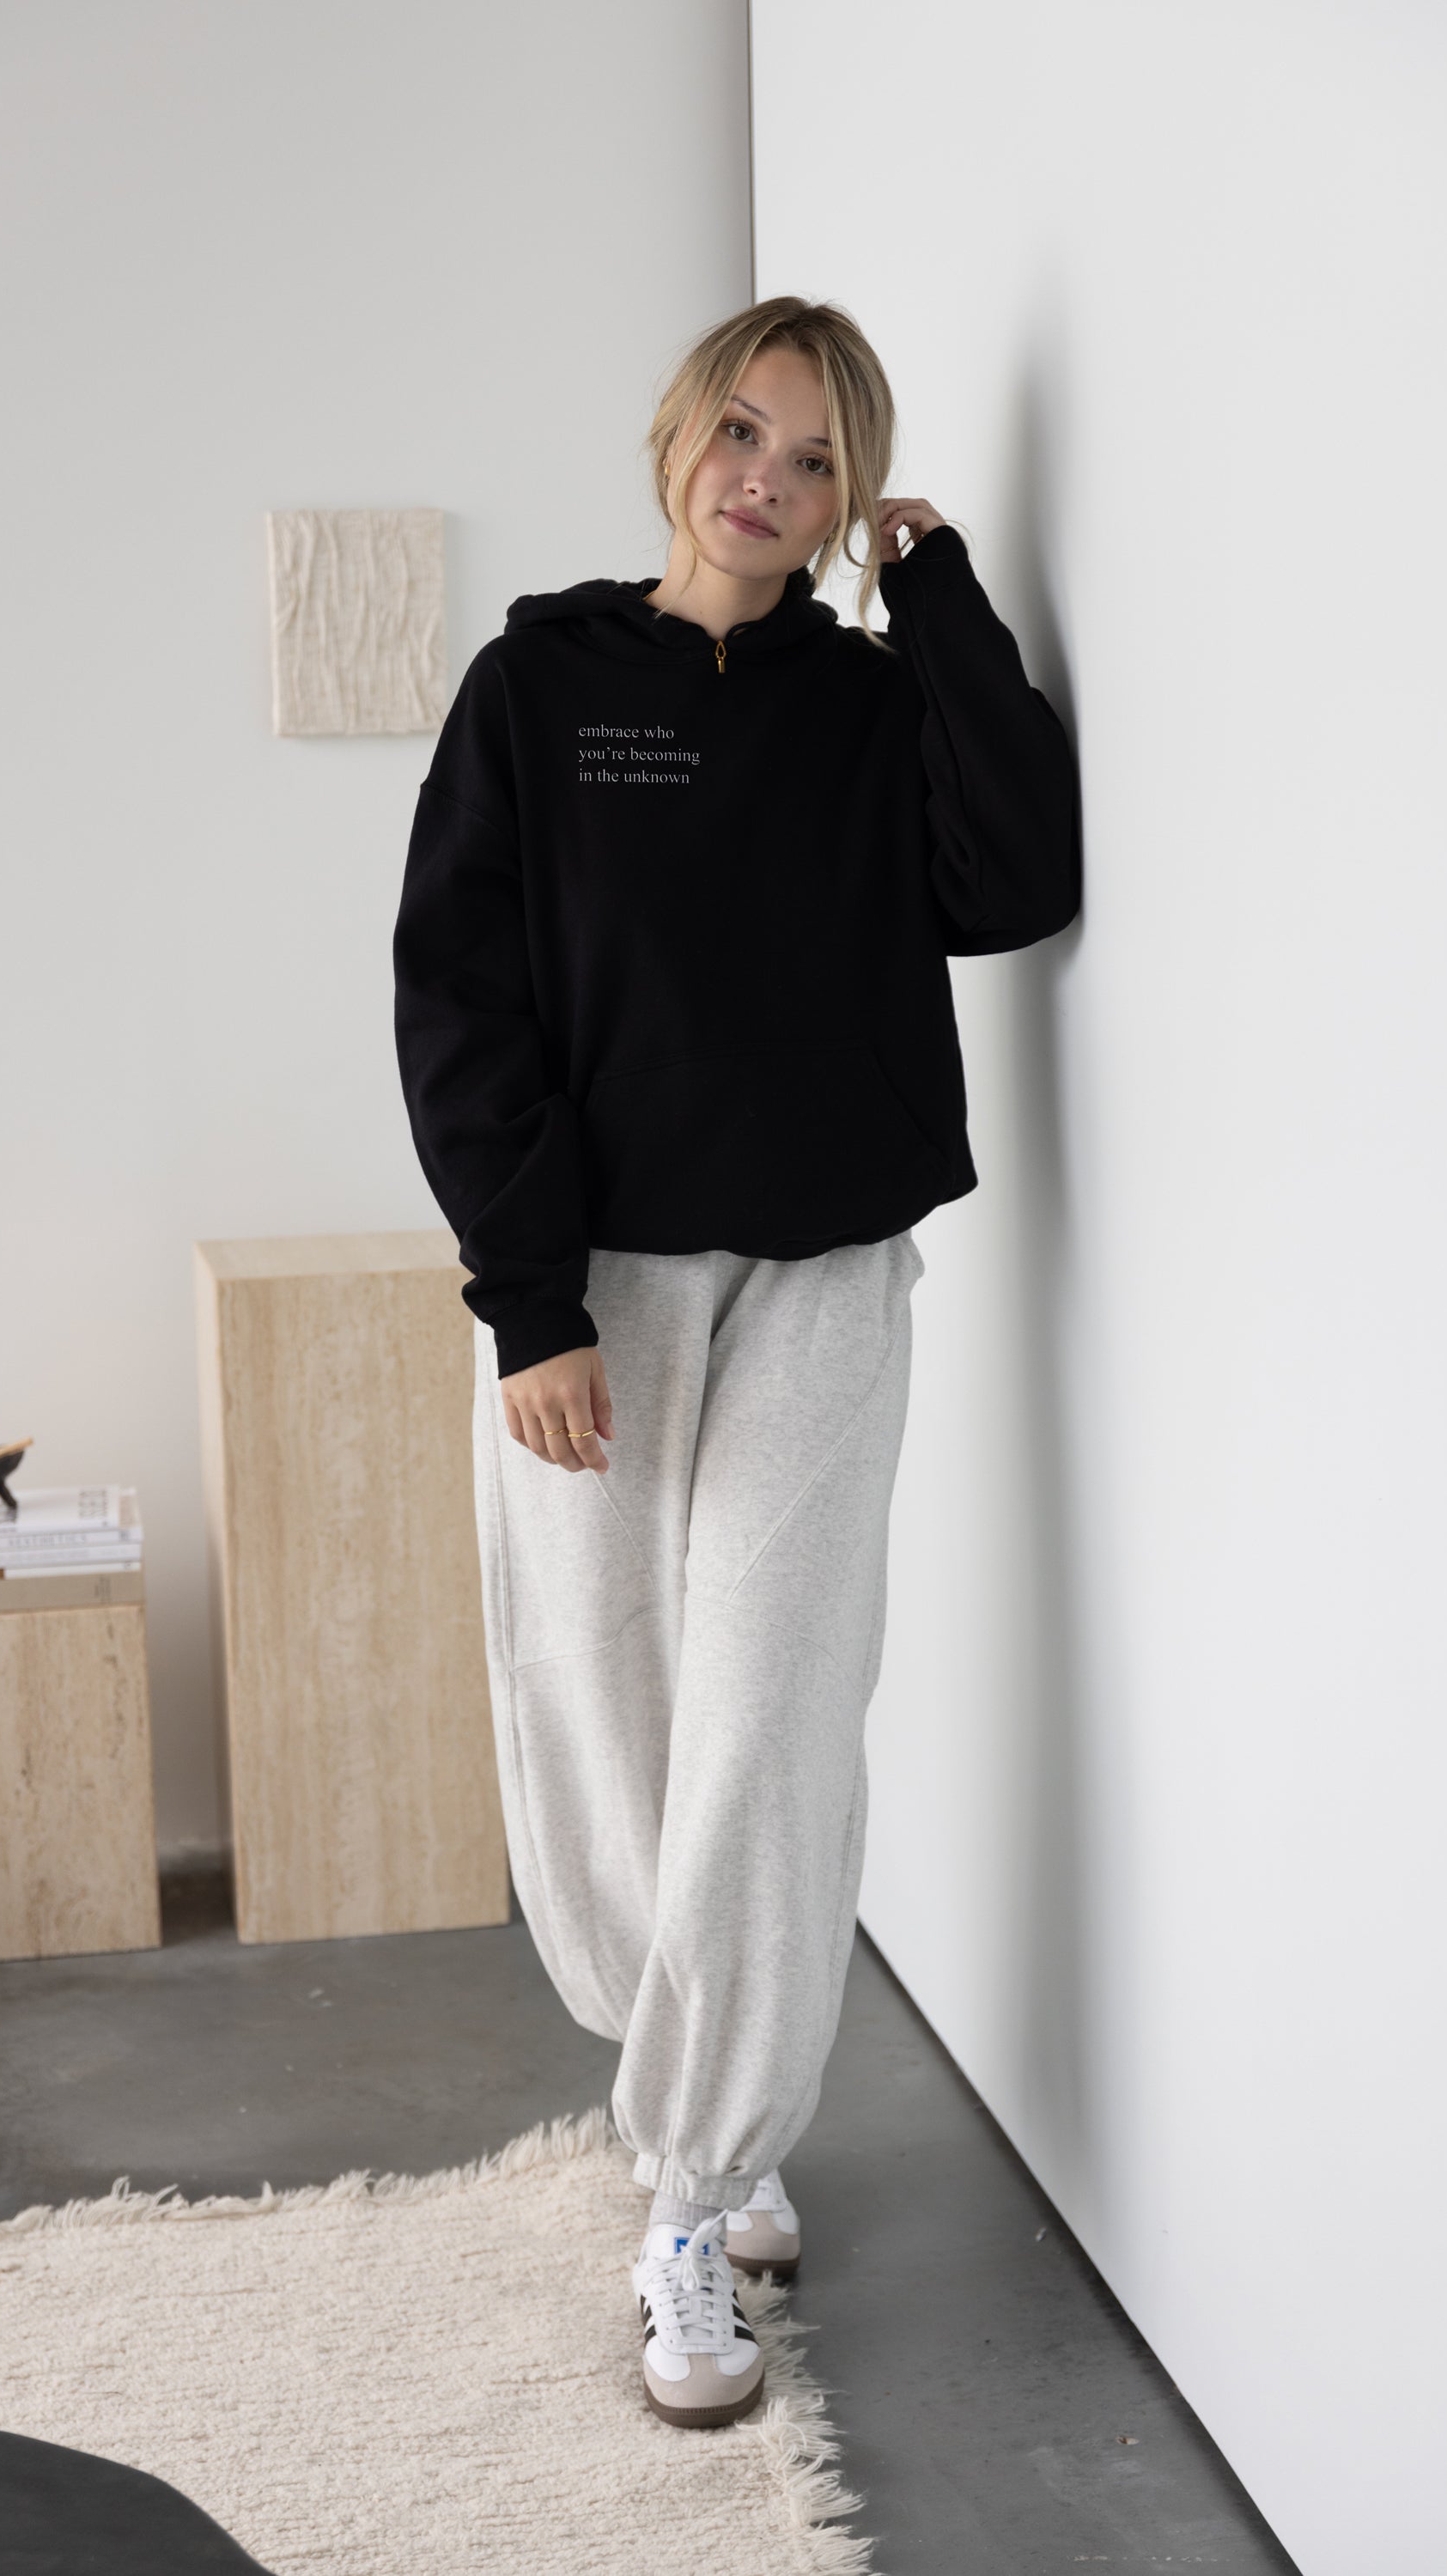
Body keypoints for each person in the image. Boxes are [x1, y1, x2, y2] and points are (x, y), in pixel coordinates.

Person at [392, 295, 1078, 2428]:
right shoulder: (541, 686)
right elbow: (460, 997)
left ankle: (692, 2184)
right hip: (593, 1280)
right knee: (606, 1708)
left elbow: (1015, 876)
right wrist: (528, 1303)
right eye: (741, 433)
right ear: (679, 433)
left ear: (845, 498)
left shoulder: (867, 704)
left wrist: (935, 595)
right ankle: (689, 2077)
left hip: (823, 1271)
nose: (762, 480)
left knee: (774, 1712)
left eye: (813, 459)